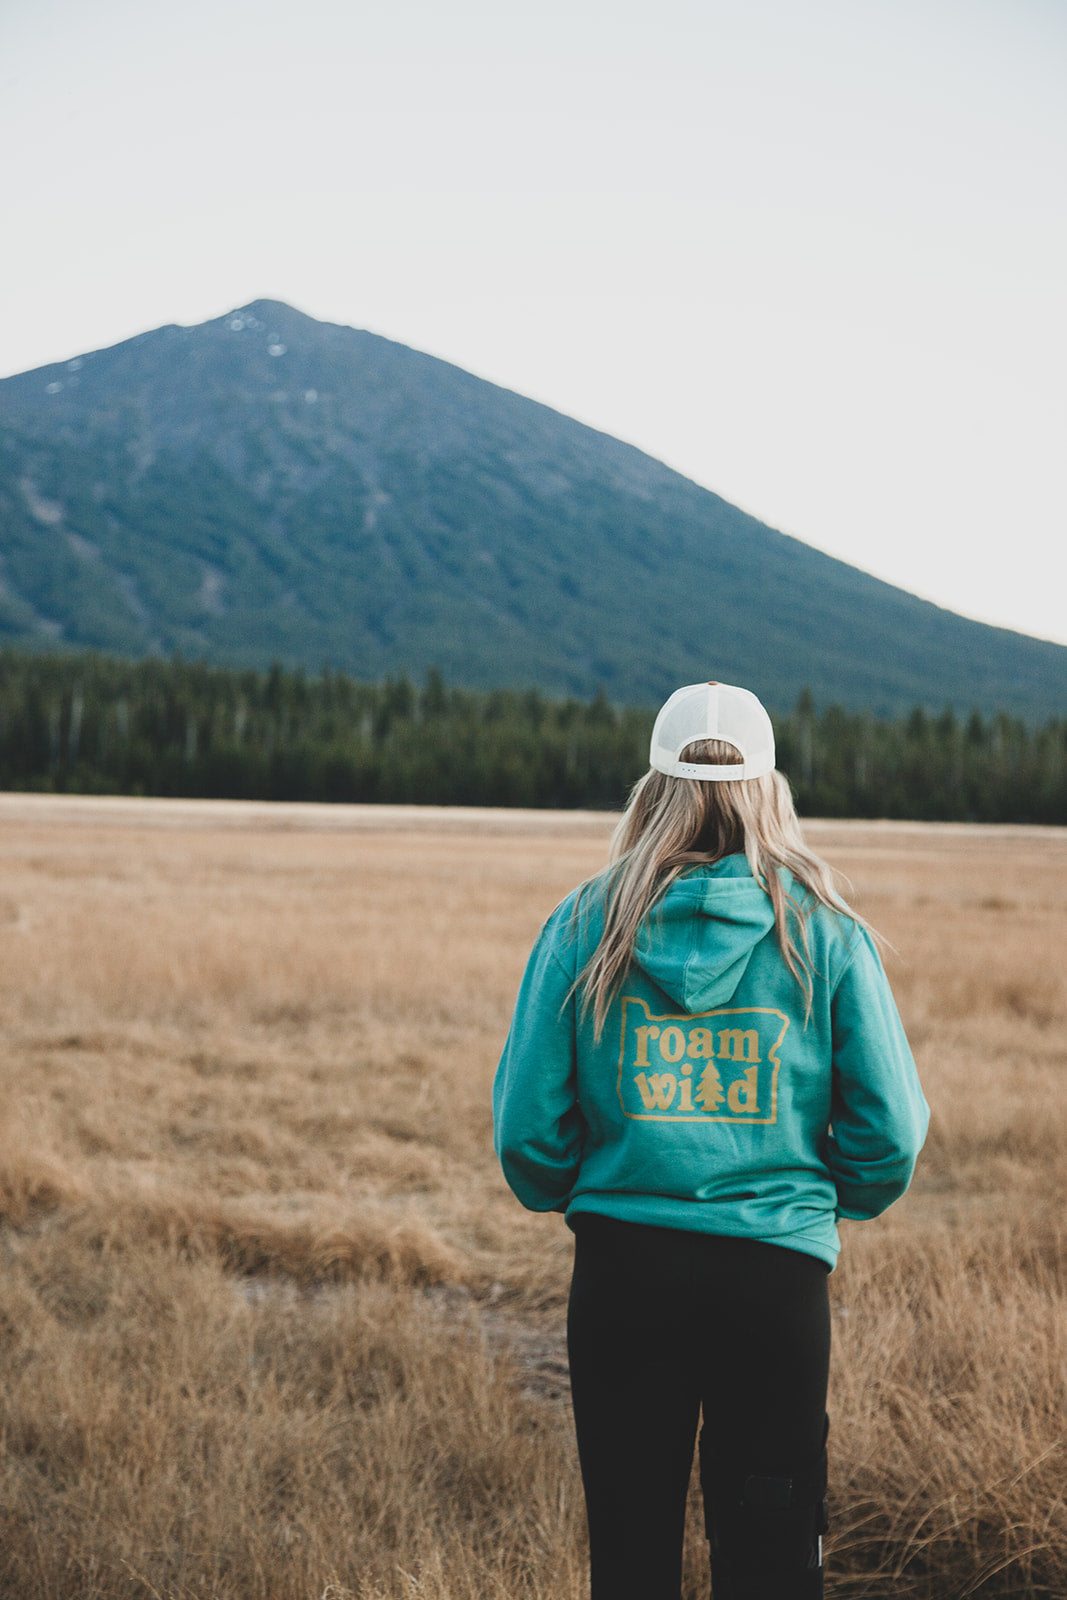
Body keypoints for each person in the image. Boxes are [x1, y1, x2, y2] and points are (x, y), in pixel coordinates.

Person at [493, 681, 929, 1600]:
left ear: (650, 793)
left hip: (622, 1274)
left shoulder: (584, 924)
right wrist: (814, 1199)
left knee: (628, 1552)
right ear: (769, 791)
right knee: (773, 1558)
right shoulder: (825, 931)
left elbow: (526, 1133)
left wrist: (600, 1186)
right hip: (773, 1284)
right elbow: (888, 1131)